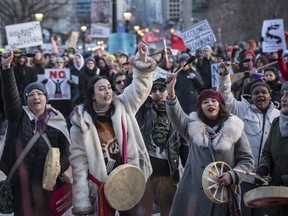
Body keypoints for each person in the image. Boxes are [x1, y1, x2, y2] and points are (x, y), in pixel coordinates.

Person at [69, 42, 156, 215]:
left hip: (129, 180)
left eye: (109, 87)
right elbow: (79, 163)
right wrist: (82, 200)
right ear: (93, 95)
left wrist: (142, 62)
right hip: (101, 187)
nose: (107, 92)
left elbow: (140, 89)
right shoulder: (81, 123)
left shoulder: (123, 105)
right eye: (101, 89)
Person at [165, 74, 254, 216]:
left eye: (214, 101)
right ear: (200, 107)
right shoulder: (191, 127)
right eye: (205, 102)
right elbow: (176, 115)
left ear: (220, 105)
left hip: (223, 195)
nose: (210, 104)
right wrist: (170, 93)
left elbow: (247, 160)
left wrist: (232, 175)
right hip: (194, 195)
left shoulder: (234, 128)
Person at [0, 51, 71, 216]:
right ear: (26, 100)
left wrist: (56, 170)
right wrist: (6, 67)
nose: (35, 97)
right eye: (30, 95)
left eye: (39, 93)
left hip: (47, 187)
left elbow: (67, 153)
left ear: (46, 98)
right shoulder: (18, 116)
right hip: (21, 186)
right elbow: (10, 96)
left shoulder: (58, 121)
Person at [218, 62, 280, 216]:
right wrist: (225, 76)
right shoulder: (241, 109)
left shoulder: (278, 117)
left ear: (270, 96)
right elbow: (225, 96)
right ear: (251, 97)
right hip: (244, 177)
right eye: (256, 93)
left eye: (264, 92)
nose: (260, 95)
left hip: (267, 179)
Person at [132, 78, 188, 216]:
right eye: (153, 90)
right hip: (145, 173)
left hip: (167, 173)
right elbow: (135, 94)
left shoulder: (177, 114)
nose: (157, 93)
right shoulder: (143, 110)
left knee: (168, 212)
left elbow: (184, 148)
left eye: (161, 89)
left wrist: (188, 173)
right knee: (143, 212)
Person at [257, 82, 288, 216]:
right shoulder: (277, 122)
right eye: (283, 94)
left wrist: (285, 179)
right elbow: (267, 152)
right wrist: (263, 167)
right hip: (276, 196)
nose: (283, 99)